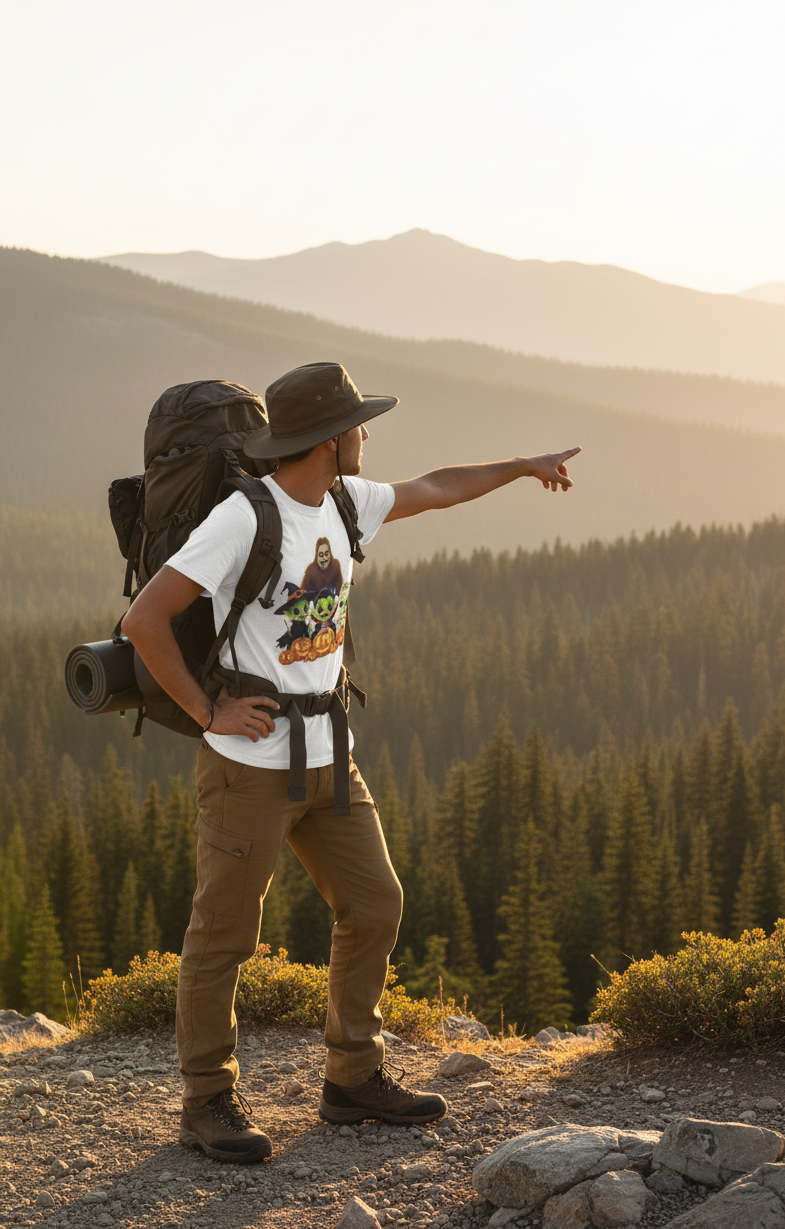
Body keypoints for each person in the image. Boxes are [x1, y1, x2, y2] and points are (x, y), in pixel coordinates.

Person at [122, 361, 580, 1163]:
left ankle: (352, 1078)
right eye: (360, 424)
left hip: (330, 753)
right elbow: (145, 619)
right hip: (249, 766)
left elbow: (436, 486)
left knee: (375, 905)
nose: (369, 435)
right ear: (331, 440)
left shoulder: (343, 501)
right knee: (225, 934)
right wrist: (208, 710)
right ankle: (206, 1100)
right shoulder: (244, 516)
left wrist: (519, 467)